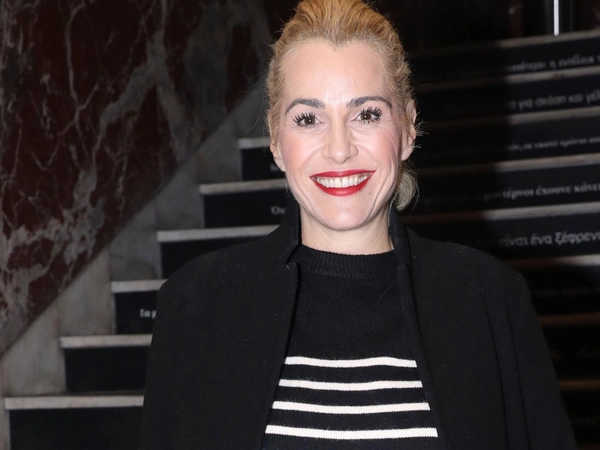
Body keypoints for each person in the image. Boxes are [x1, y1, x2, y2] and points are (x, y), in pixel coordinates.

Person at [139, 0, 576, 448]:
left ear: (407, 129)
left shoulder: (490, 300)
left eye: (366, 114)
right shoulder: (197, 304)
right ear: (275, 141)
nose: (339, 148)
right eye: (308, 118)